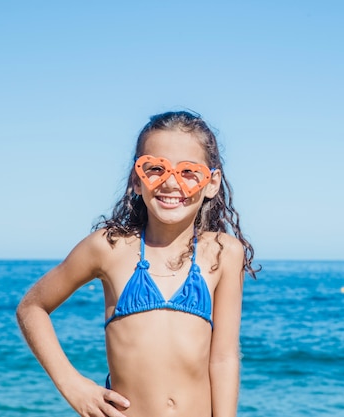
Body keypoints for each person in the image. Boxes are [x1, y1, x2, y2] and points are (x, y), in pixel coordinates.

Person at [17, 110, 259, 417]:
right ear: (136, 179)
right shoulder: (108, 247)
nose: (171, 184)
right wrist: (74, 386)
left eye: (188, 173)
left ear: (211, 183)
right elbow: (32, 308)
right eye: (155, 169)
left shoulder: (224, 252)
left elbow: (223, 358)